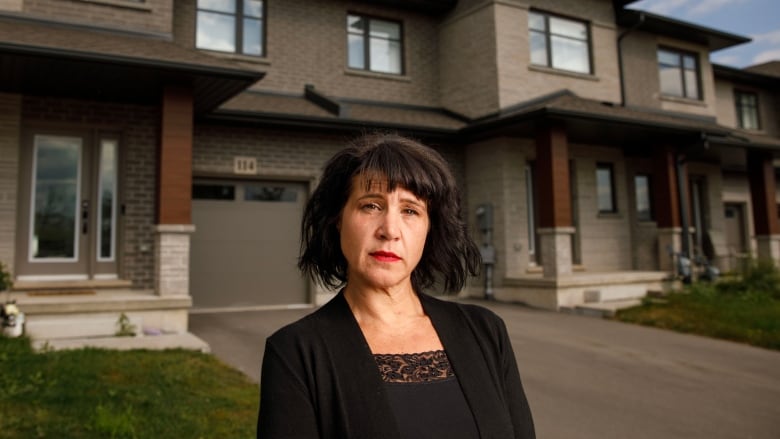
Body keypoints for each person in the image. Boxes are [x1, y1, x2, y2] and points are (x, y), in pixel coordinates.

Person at [256, 133, 535, 439]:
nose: (390, 230)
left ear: (430, 228)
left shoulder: (486, 332)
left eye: (410, 210)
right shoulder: (296, 352)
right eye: (371, 206)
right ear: (338, 218)